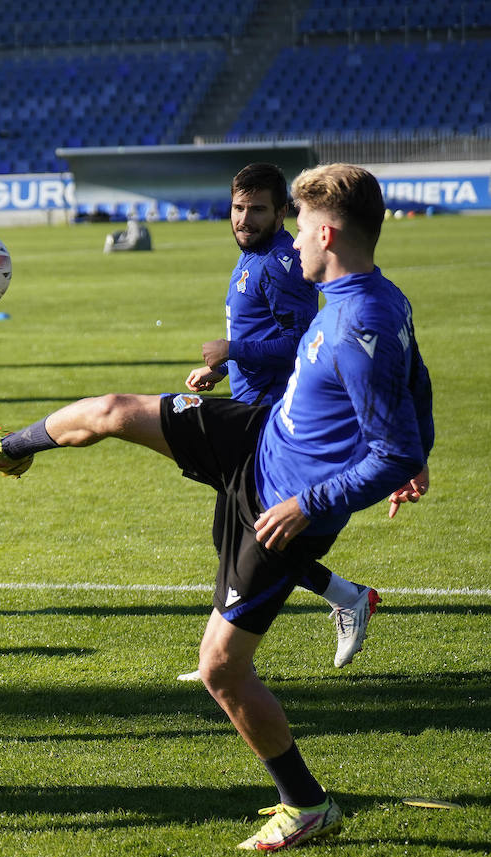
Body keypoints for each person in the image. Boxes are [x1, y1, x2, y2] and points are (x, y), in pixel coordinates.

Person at [0, 164, 433, 851]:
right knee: (113, 411)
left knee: (221, 668)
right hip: (256, 434)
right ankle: (9, 448)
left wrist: (317, 500)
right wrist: (419, 449)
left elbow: (392, 448)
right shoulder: (377, 296)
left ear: (328, 231)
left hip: (279, 504)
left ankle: (307, 804)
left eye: (302, 226)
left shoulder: (361, 321)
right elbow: (416, 383)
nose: (295, 241)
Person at [178, 162, 377, 679]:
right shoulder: (252, 258)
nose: (244, 219)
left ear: (282, 212)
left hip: (270, 420)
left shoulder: (281, 263)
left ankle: (222, 660)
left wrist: (234, 348)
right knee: (235, 538)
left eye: (257, 209)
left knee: (249, 537)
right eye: (238, 208)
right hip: (250, 405)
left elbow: (305, 340)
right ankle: (344, 596)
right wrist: (223, 366)